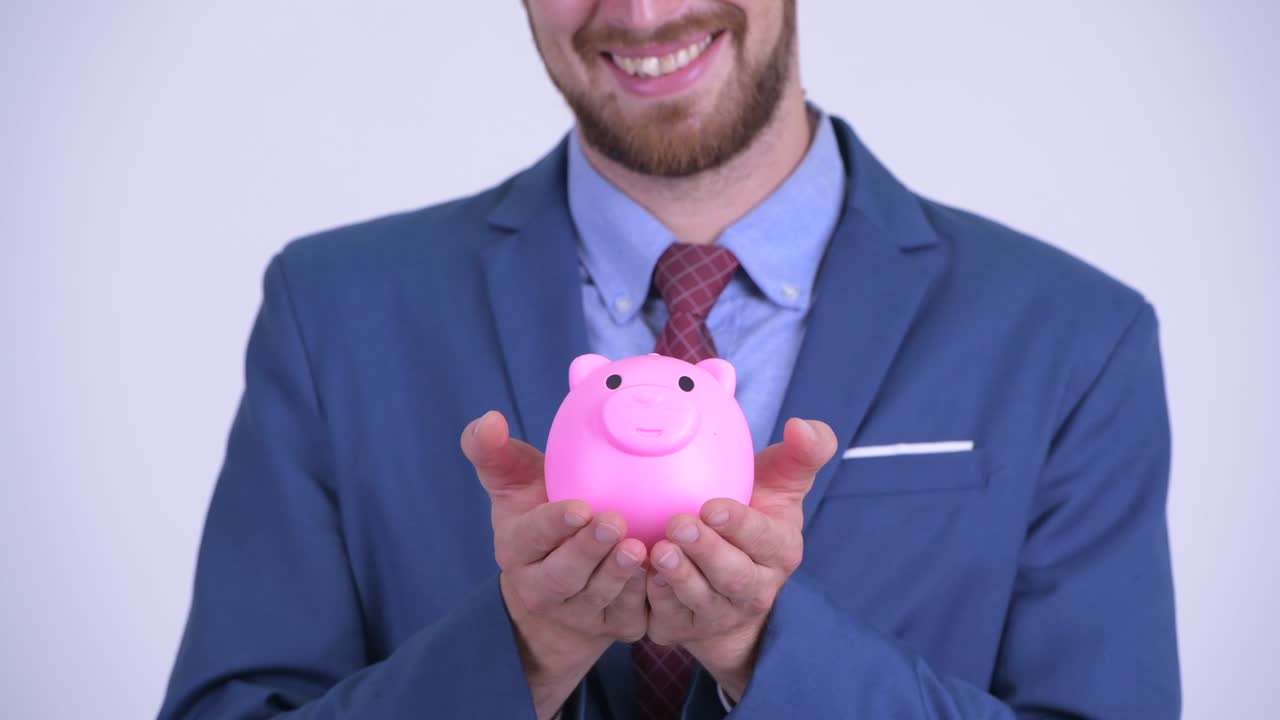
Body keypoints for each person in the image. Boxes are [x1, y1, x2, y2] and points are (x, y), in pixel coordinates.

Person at [159, 2, 1180, 718]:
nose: (641, 13)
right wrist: (523, 649)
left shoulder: (1071, 336)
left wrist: (762, 647)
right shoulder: (334, 310)